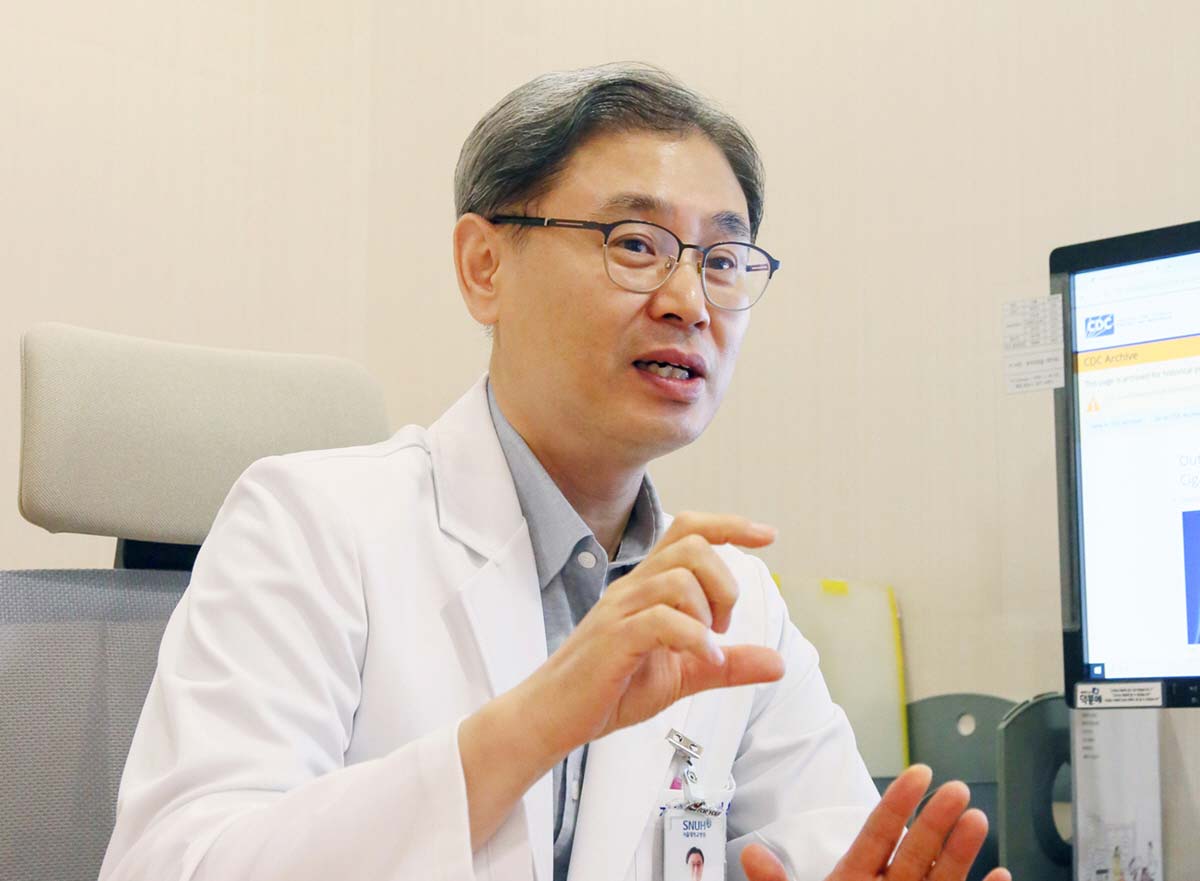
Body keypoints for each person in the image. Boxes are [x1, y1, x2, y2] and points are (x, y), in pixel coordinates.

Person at [98, 63, 1009, 881]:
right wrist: (543, 715)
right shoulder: (308, 524)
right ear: (484, 266)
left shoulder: (737, 602)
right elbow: (173, 865)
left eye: (723, 261)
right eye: (636, 243)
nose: (689, 302)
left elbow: (824, 844)